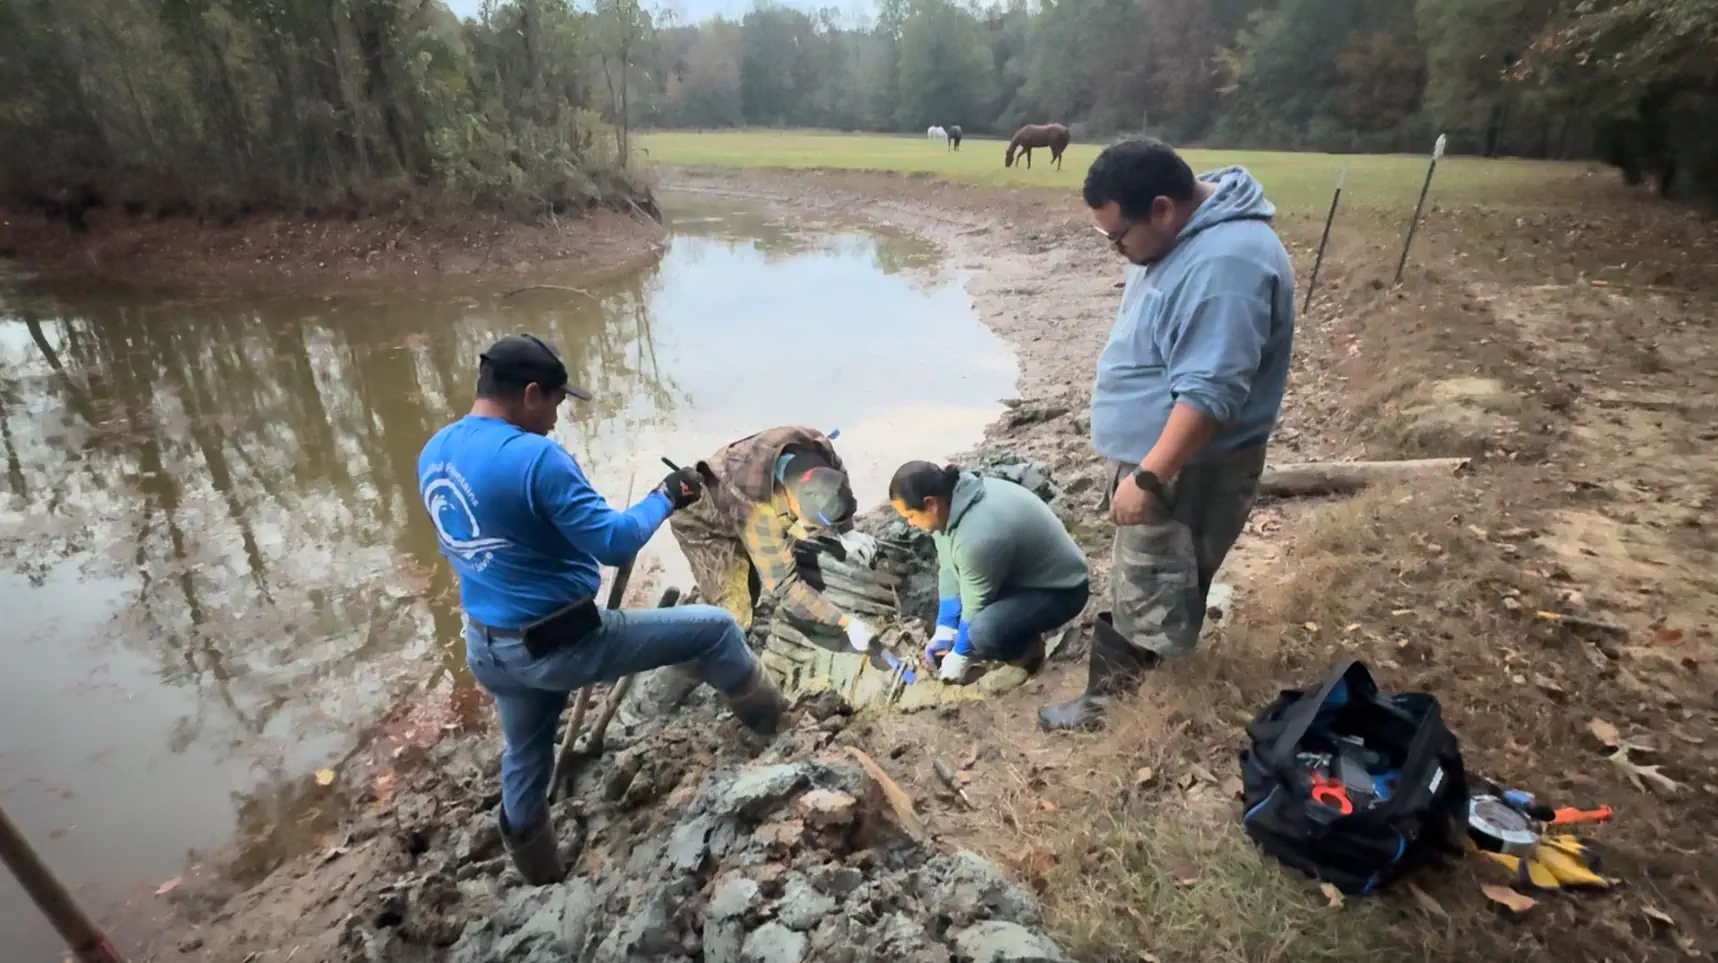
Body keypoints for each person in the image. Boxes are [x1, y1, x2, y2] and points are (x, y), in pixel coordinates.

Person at [417, 333, 787, 885]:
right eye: (557, 404)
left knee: (524, 754)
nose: (557, 418)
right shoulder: (535, 458)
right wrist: (667, 495)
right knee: (713, 628)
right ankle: (778, 727)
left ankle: (541, 880)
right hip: (562, 644)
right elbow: (614, 541)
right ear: (531, 393)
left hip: (489, 646)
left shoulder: (436, 450)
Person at [1038, 138, 1295, 732]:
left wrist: (1149, 476)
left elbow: (1210, 396)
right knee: (1148, 574)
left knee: (1156, 577)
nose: (1116, 251)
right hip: (1157, 456)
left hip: (1184, 466)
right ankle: (1133, 686)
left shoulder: (1225, 266)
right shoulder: (1187, 231)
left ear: (1161, 208)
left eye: (1117, 237)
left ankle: (1116, 715)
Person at [669, 426, 882, 654]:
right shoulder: (758, 510)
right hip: (705, 519)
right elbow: (785, 586)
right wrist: (845, 623)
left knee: (763, 572)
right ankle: (690, 652)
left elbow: (838, 485)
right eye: (808, 523)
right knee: (735, 614)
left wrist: (847, 530)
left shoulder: (819, 449)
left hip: (737, 491)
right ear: (793, 502)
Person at [888, 461, 1091, 684]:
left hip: (1063, 588)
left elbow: (976, 605)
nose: (909, 522)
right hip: (1025, 572)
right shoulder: (952, 501)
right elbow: (948, 567)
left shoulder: (978, 536)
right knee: (968, 614)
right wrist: (945, 626)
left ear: (930, 504)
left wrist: (960, 654)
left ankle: (1029, 657)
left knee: (984, 633)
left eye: (909, 515)